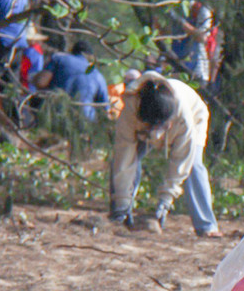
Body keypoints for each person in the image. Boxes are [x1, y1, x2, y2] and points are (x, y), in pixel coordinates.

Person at [108, 71, 222, 237]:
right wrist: (122, 202)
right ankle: (120, 214)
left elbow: (181, 162)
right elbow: (124, 160)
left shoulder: (184, 117)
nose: (156, 135)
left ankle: (206, 226)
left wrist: (165, 202)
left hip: (195, 116)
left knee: (193, 166)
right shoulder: (130, 112)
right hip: (142, 127)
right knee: (122, 160)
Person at [32, 41, 109, 121]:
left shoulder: (59, 59)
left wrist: (32, 78)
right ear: (90, 57)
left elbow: (41, 82)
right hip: (83, 120)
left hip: (53, 113)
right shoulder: (99, 76)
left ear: (72, 51)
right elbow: (105, 108)